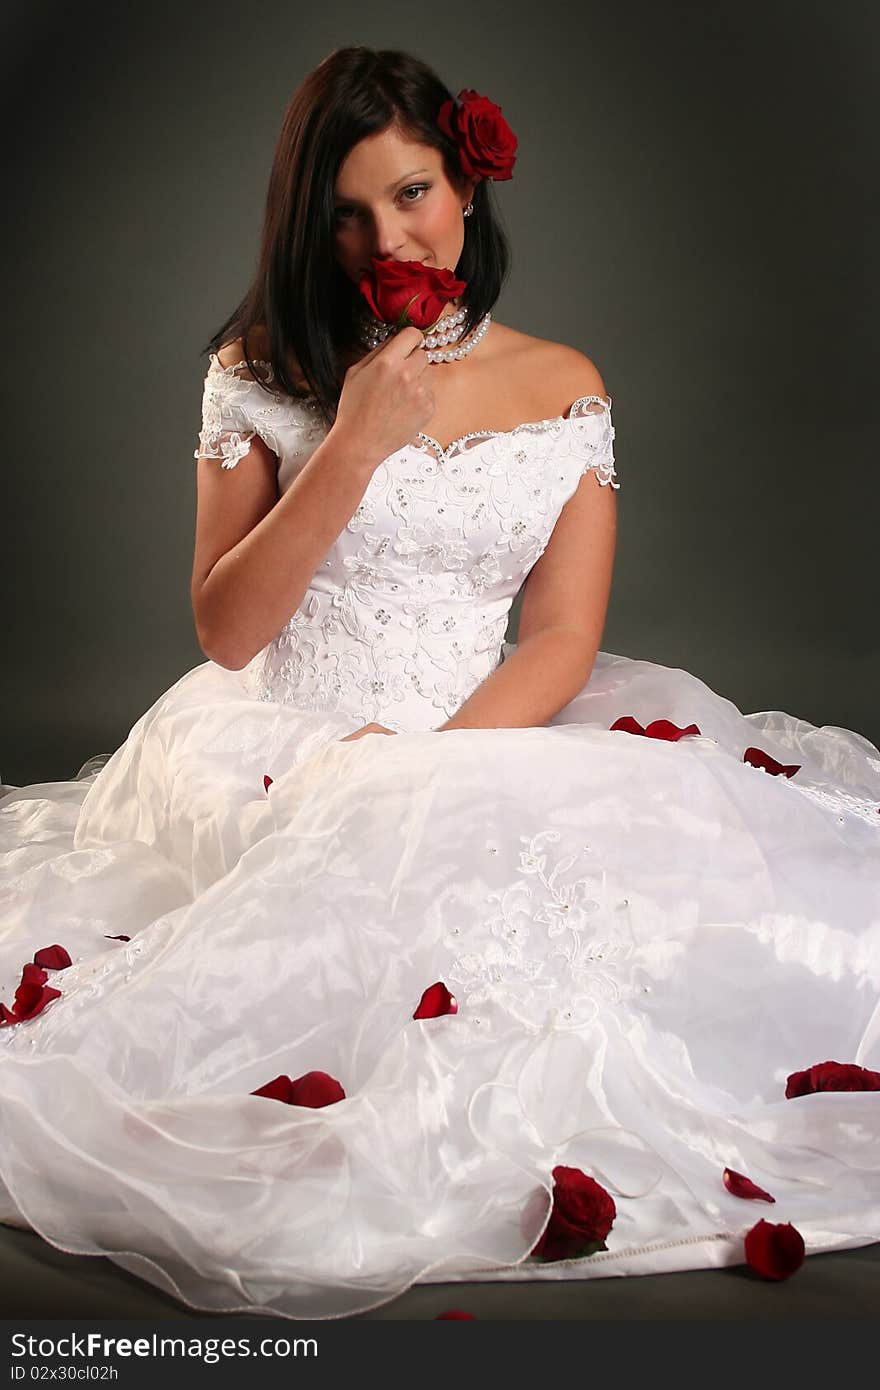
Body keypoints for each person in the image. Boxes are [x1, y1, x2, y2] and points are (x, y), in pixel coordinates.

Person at [1, 46, 878, 1322]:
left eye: (412, 194)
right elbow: (227, 631)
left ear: (468, 189)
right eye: (346, 214)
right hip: (279, 738)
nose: (384, 239)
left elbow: (562, 636)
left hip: (496, 732)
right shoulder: (257, 366)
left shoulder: (563, 384)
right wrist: (352, 442)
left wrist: (436, 778)